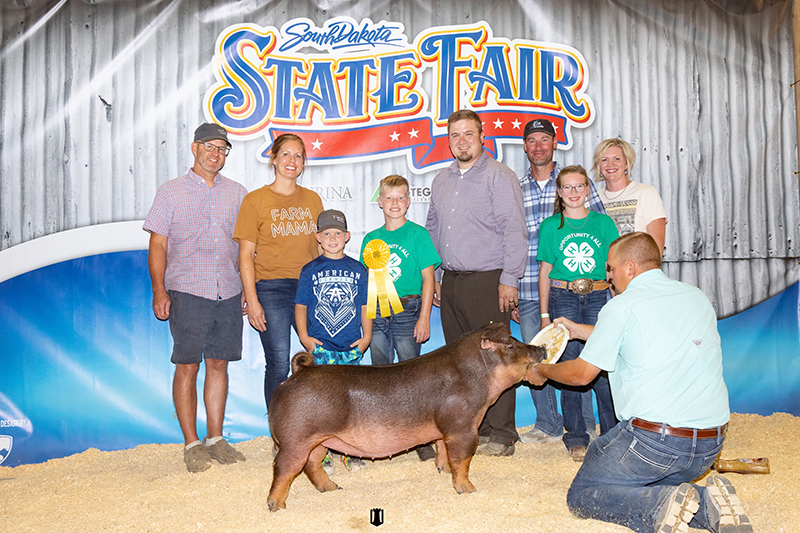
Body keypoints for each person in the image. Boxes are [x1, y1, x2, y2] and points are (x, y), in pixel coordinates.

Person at [528, 232, 751, 533]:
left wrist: (541, 370)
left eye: (611, 269)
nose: (609, 277)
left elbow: (581, 375)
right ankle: (710, 506)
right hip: (710, 446)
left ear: (630, 268)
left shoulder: (621, 306)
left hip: (655, 444)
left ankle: (666, 504)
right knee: (645, 477)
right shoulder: (694, 296)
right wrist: (578, 330)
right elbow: (639, 334)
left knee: (583, 494)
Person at [143, 122, 247, 473]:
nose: (215, 154)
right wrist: (159, 289)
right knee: (187, 366)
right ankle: (191, 444)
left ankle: (215, 438)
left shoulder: (238, 193)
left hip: (229, 290)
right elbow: (158, 243)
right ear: (194, 148)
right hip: (187, 290)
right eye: (209, 147)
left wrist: (247, 289)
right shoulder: (170, 192)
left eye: (222, 149)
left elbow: (245, 248)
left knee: (219, 364)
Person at [425, 109, 528, 457]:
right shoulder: (441, 180)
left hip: (489, 280)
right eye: (455, 135)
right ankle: (476, 427)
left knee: (497, 358)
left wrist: (510, 279)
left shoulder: (500, 177)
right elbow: (432, 231)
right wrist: (436, 276)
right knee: (463, 362)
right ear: (448, 140)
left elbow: (514, 230)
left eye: (469, 133)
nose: (462, 141)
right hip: (451, 280)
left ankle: (502, 433)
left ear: (482, 136)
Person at [515, 119, 606, 446]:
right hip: (530, 285)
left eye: (545, 139)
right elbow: (511, 237)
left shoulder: (573, 182)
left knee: (579, 355)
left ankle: (582, 425)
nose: (538, 146)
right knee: (537, 357)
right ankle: (547, 424)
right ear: (525, 147)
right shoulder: (516, 185)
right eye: (532, 141)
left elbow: (597, 231)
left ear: (554, 144)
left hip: (574, 287)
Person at [233, 134, 324, 411]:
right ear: (273, 158)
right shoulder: (255, 201)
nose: (291, 161)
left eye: (298, 156)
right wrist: (252, 298)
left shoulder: (312, 199)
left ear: (304, 162)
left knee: (322, 356)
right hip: (270, 288)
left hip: (308, 289)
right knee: (278, 361)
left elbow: (322, 253)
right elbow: (246, 255)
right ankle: (280, 434)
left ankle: (321, 428)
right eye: (285, 154)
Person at [537, 165, 619, 462]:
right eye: (567, 187)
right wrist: (545, 314)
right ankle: (576, 436)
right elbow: (545, 271)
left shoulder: (603, 224)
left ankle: (611, 434)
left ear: (587, 189)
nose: (573, 193)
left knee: (603, 363)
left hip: (598, 295)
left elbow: (613, 268)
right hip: (563, 296)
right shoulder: (550, 227)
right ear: (559, 192)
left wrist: (618, 302)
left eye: (579, 186)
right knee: (569, 365)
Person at [360, 174, 442, 461]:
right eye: (389, 198)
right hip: (379, 312)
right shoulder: (371, 239)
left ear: (409, 201)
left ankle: (419, 438)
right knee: (380, 377)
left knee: (412, 376)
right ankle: (383, 436)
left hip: (409, 310)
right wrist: (367, 325)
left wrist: (424, 317)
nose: (395, 203)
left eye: (401, 197)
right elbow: (367, 285)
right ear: (380, 202)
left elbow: (428, 279)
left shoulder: (418, 235)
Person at [295, 209, 372, 473]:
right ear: (318, 237)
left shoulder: (358, 269)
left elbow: (364, 306)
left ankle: (350, 452)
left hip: (350, 348)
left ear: (347, 236)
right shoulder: (309, 270)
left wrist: (367, 337)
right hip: (322, 348)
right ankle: (323, 452)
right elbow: (301, 306)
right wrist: (305, 337)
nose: (332, 238)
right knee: (323, 405)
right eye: (326, 233)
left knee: (353, 405)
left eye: (337, 233)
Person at [593, 138, 668, 254]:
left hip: (641, 270)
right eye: (604, 160)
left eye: (617, 159)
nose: (610, 164)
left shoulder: (646, 193)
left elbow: (657, 248)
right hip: (605, 271)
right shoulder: (594, 199)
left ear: (626, 164)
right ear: (599, 166)